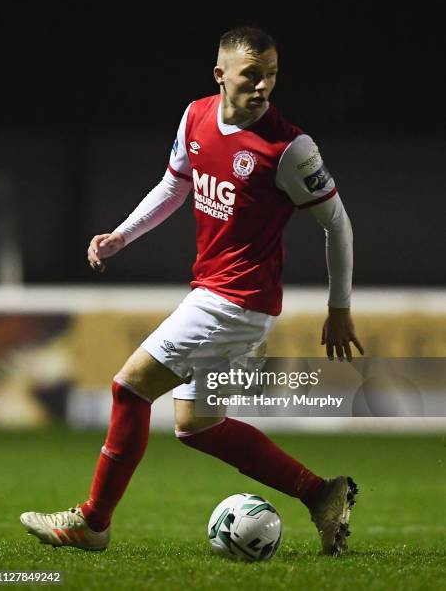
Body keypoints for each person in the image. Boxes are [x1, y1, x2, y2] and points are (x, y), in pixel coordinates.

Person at [20, 27, 363, 556]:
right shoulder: (195, 116)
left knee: (128, 388)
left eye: (271, 73)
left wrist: (338, 307)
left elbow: (336, 224)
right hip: (222, 296)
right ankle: (321, 495)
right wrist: (122, 235)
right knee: (198, 426)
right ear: (220, 75)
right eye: (252, 74)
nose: (264, 85)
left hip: (233, 299)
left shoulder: (290, 148)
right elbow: (175, 184)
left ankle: (92, 522)